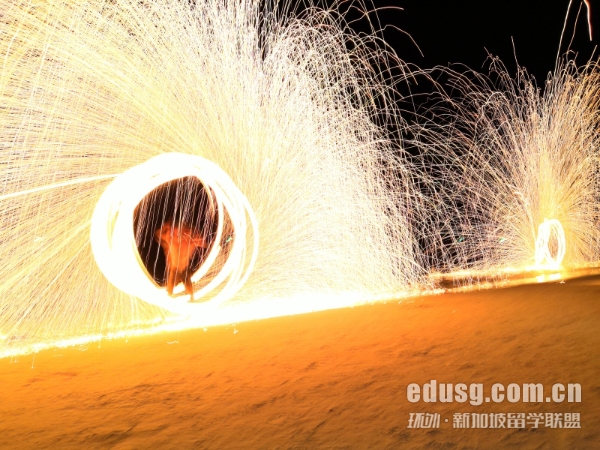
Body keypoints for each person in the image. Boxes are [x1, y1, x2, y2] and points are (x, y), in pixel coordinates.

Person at [154, 220, 208, 302]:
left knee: (188, 285)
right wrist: (166, 226)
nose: (173, 232)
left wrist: (201, 241)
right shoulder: (171, 239)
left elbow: (203, 244)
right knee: (170, 286)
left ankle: (191, 300)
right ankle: (168, 299)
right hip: (174, 268)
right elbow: (158, 234)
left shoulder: (189, 241)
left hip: (184, 268)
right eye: (174, 230)